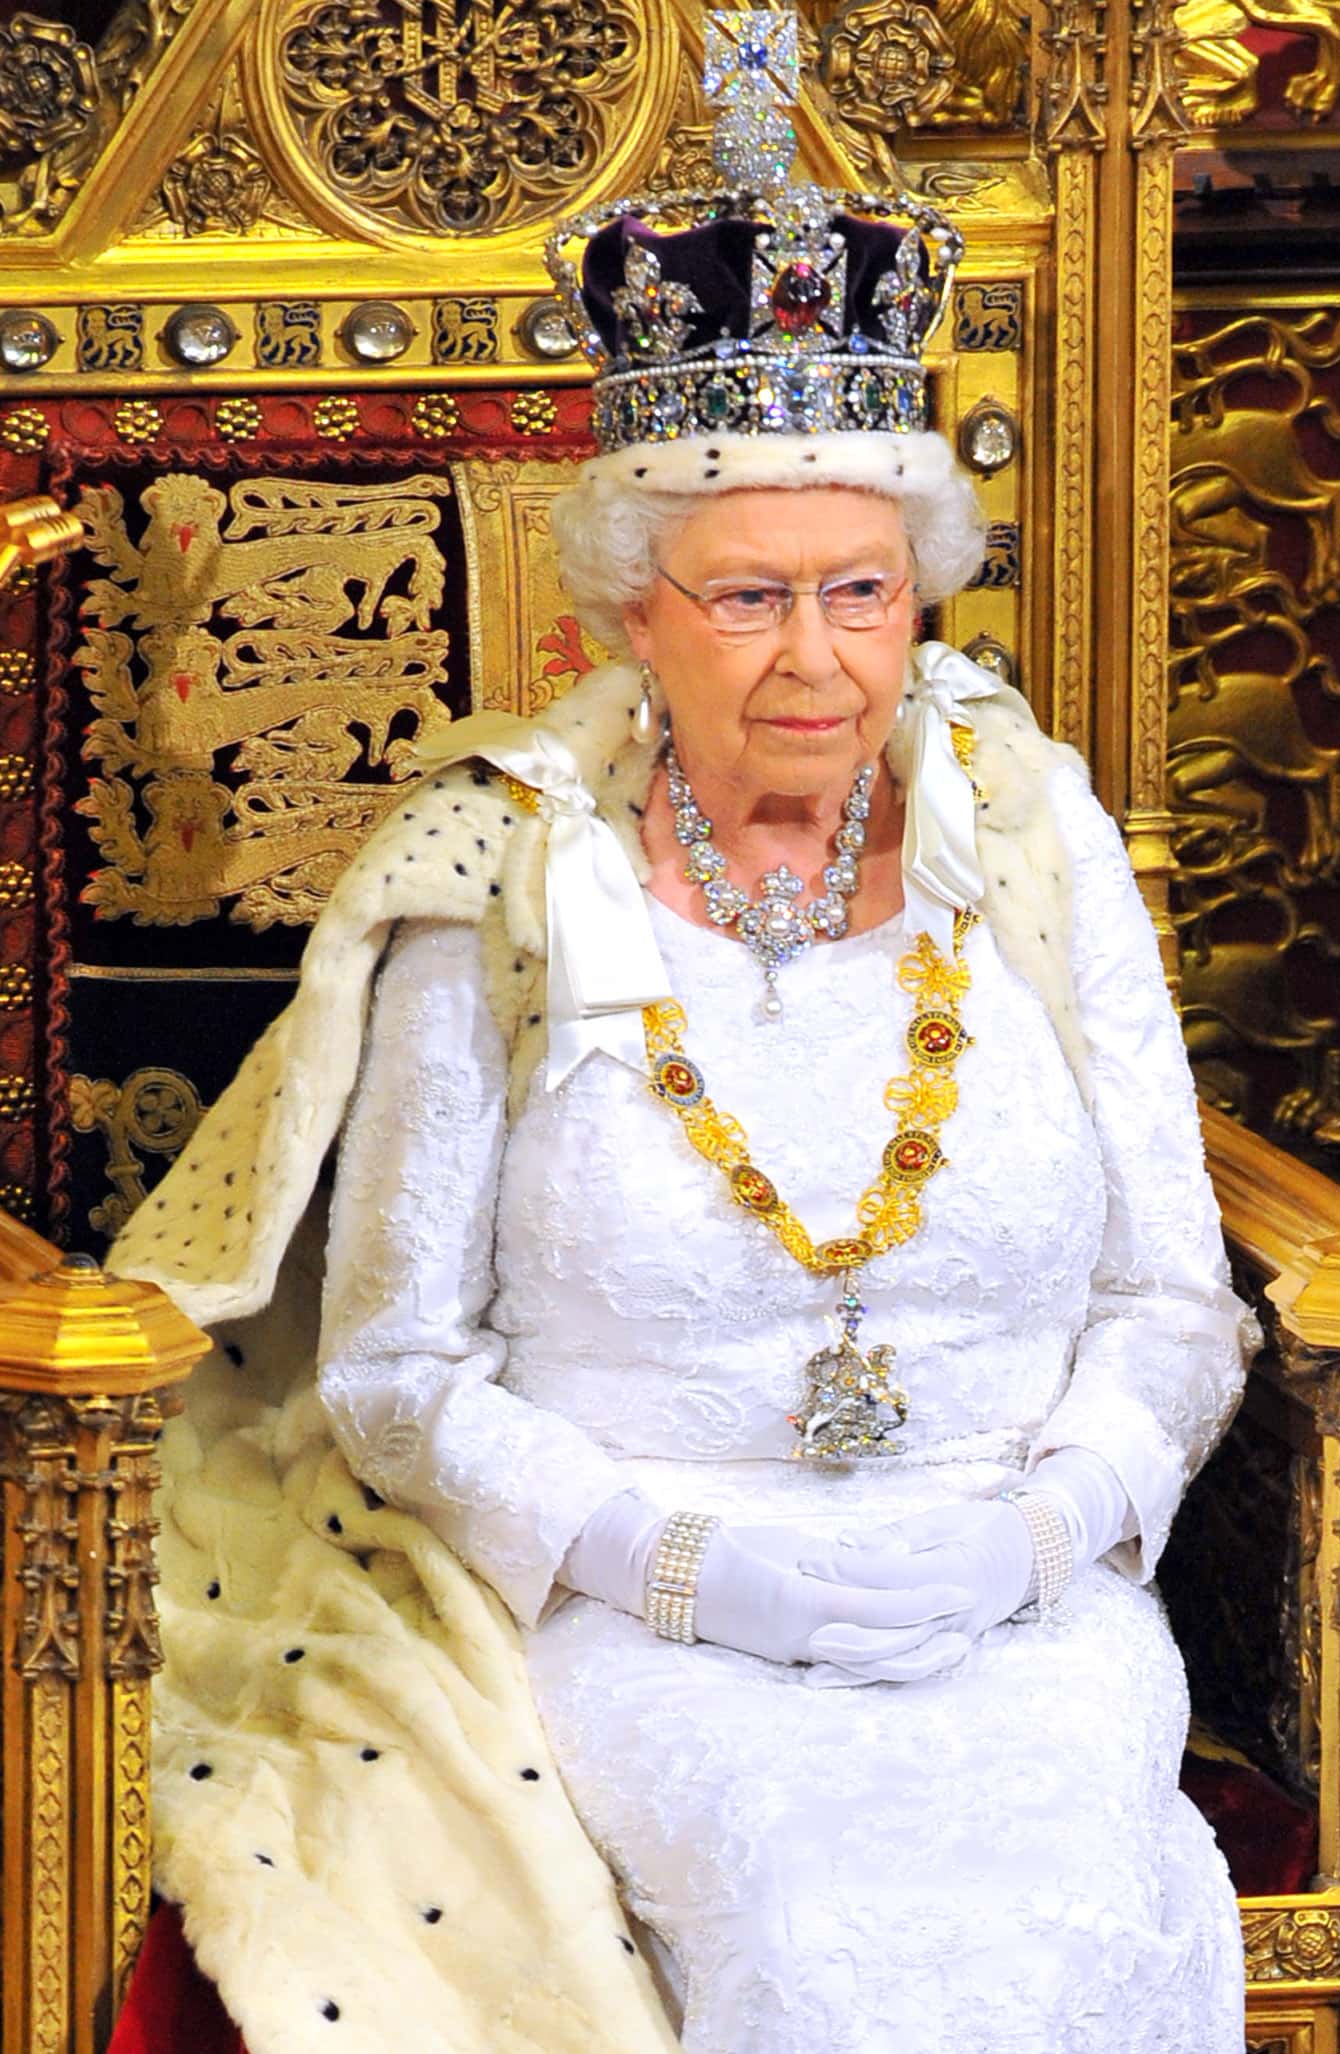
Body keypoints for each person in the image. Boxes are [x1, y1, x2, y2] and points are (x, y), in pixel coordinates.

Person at [112, 56, 1248, 2054]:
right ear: (637, 613)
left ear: (923, 598)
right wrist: (681, 1566)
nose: (814, 653)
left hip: (1028, 1608)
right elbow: (390, 1372)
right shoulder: (504, 876)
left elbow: (1175, 1292)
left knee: (1077, 1876)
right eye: (751, 597)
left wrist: (1048, 1526)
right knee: (804, 1910)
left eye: (864, 591)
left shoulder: (1039, 839)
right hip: (648, 1623)